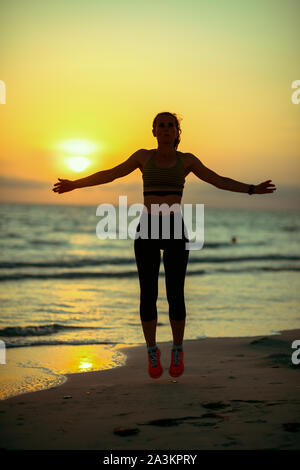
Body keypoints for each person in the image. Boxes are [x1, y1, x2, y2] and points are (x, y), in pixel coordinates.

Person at [52, 111, 277, 379]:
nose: (166, 128)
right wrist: (75, 185)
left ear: (176, 132)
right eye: (161, 125)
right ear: (154, 131)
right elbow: (110, 174)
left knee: (175, 294)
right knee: (147, 294)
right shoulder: (142, 157)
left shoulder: (188, 160)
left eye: (171, 125)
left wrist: (252, 189)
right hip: (147, 227)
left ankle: (178, 350)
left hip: (173, 228)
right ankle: (152, 351)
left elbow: (219, 181)